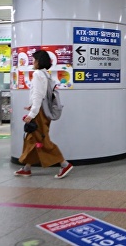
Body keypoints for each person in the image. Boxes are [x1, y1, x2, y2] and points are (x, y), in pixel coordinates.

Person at [14, 49, 73, 179]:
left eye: (34, 60)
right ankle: (27, 168)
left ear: (39, 61)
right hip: (43, 111)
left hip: (39, 113)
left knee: (42, 140)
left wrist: (32, 112)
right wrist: (32, 107)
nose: (33, 62)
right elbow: (43, 96)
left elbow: (38, 95)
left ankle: (64, 164)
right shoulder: (46, 74)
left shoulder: (37, 74)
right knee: (32, 139)